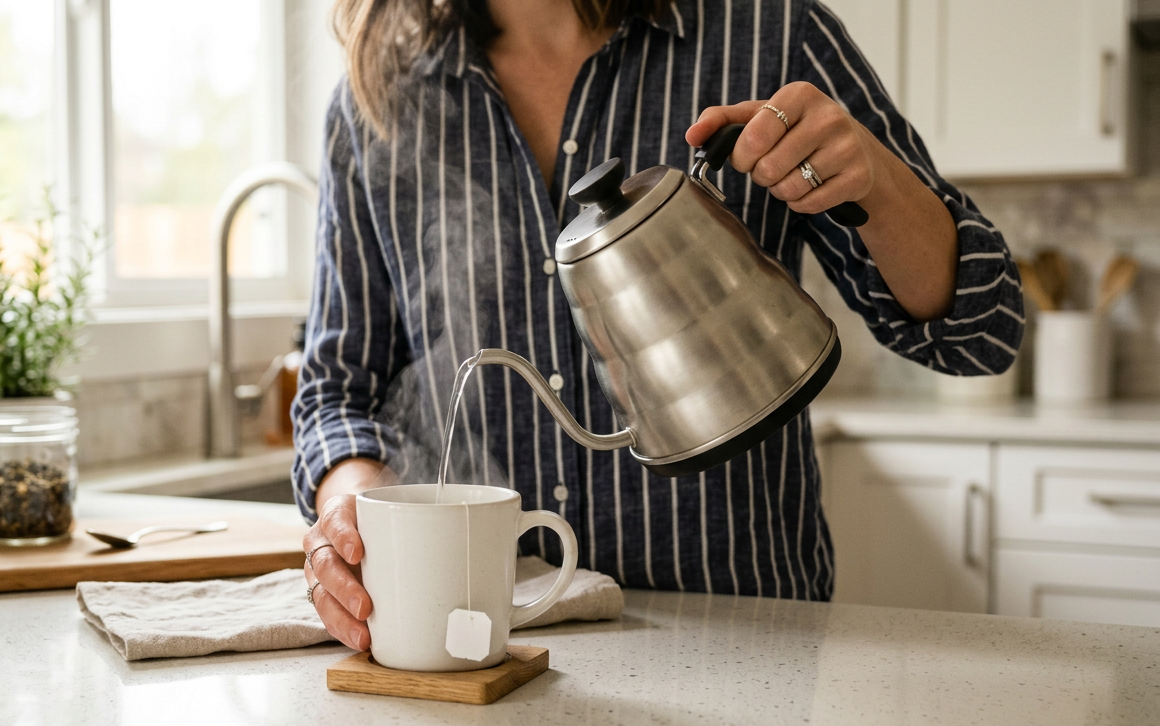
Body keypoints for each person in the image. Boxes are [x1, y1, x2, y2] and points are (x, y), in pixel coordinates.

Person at [294, 0, 1023, 651]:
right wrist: (349, 516)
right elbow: (337, 392)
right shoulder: (376, 101)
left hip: (749, 642)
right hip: (496, 651)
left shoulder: (768, 32)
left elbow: (978, 334)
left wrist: (879, 176)